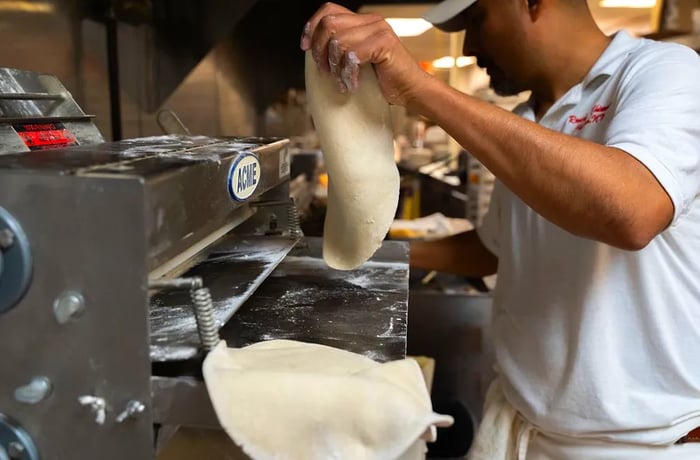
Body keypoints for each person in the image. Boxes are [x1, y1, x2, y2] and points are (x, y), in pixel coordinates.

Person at [301, 0, 700, 458]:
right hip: (524, 431)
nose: (469, 47)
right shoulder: (530, 120)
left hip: (638, 447)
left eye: (475, 20)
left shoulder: (665, 73)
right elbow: (496, 247)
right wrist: (365, 252)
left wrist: (420, 88)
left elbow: (632, 210)